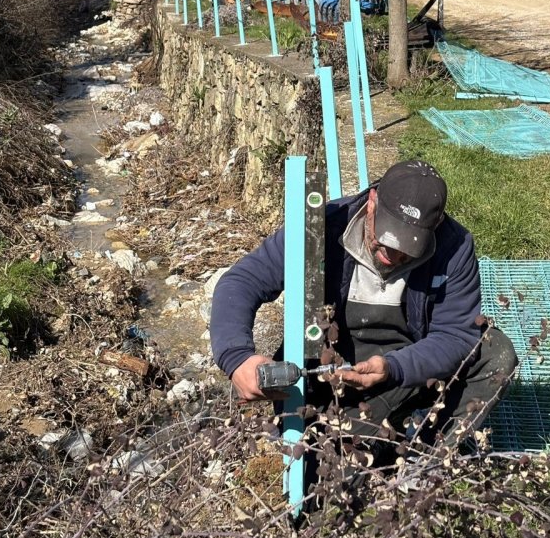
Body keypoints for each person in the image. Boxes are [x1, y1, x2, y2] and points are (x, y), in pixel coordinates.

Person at [210, 159, 517, 448]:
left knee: (495, 353)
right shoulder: (321, 229)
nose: (393, 254)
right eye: (387, 237)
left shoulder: (454, 248)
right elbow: (242, 282)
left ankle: (428, 456)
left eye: (408, 247)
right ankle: (373, 437)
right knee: (335, 469)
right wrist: (237, 358)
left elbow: (456, 335)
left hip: (404, 368)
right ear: (372, 201)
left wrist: (395, 367)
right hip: (329, 375)